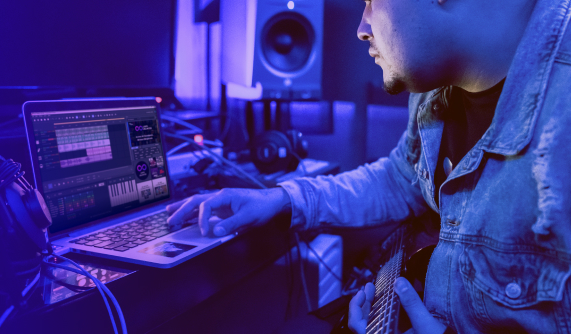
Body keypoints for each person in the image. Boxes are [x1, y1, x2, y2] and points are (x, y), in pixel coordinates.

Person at [167, 0, 571, 332]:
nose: (361, 27)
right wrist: (284, 198)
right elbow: (402, 179)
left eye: (371, 2)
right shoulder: (439, 84)